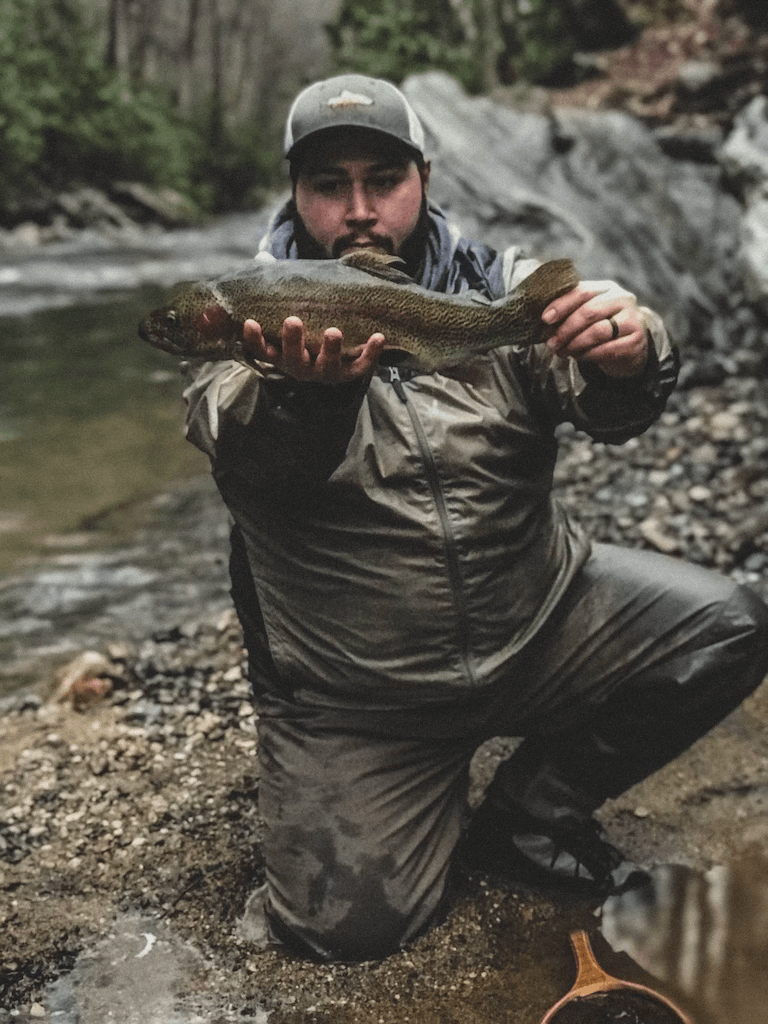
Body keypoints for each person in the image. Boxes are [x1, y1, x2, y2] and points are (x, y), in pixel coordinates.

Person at [184, 74, 768, 962]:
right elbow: (252, 458)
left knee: (728, 626)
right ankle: (401, 780)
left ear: (424, 174)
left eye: (383, 178)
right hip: (361, 698)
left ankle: (532, 811)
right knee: (341, 933)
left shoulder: (503, 286)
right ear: (295, 195)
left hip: (540, 622)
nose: (359, 209)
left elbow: (616, 412)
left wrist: (635, 348)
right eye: (328, 185)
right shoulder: (256, 323)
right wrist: (306, 401)